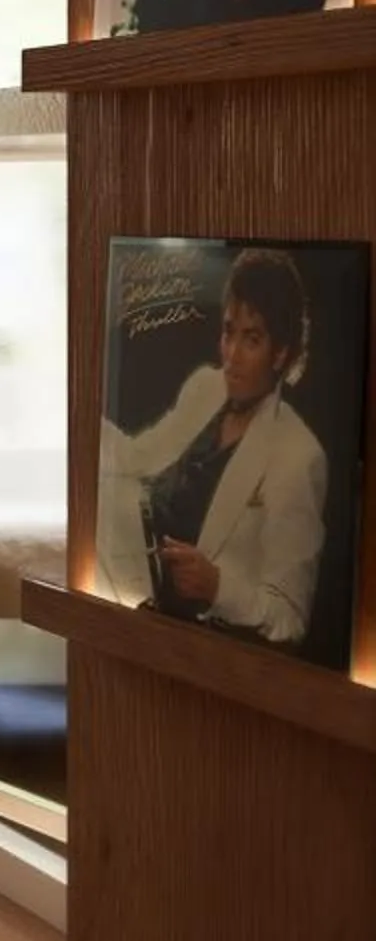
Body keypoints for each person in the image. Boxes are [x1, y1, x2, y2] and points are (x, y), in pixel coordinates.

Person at [99, 248, 330, 649]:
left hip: (199, 645)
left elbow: (289, 617)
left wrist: (218, 586)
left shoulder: (299, 456)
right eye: (228, 332)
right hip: (132, 592)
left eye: (252, 339)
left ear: (280, 353)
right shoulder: (207, 386)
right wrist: (76, 419)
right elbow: (137, 458)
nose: (232, 356)